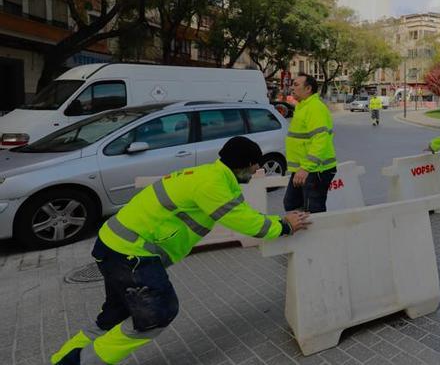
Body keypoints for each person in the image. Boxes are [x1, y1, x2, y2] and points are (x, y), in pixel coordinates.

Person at [51, 137, 311, 365]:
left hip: (114, 245)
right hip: (131, 254)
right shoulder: (213, 185)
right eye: (256, 164)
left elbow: (242, 213)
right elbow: (248, 223)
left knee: (115, 314)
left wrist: (278, 221)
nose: (259, 169)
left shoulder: (211, 176)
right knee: (157, 313)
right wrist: (285, 226)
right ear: (243, 163)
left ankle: (60, 358)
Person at [284, 73, 337, 213]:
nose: (292, 88)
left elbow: (321, 140)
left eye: (296, 85)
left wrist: (306, 168)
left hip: (315, 170)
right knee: (292, 204)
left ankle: (318, 235)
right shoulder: (302, 106)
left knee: (312, 210)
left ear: (308, 89)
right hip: (304, 169)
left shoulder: (314, 107)